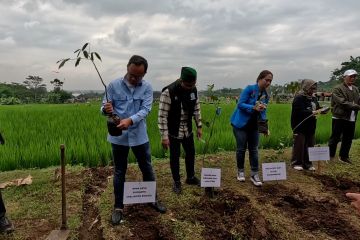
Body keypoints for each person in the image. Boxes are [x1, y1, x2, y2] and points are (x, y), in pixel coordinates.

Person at [101, 55, 166, 225]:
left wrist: (129, 120)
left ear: (144, 74)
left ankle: (153, 199)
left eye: (139, 76)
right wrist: (106, 108)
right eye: (132, 75)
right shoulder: (113, 85)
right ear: (127, 68)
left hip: (139, 135)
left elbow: (146, 110)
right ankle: (118, 207)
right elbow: (104, 107)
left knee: (147, 167)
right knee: (119, 171)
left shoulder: (147, 88)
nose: (134, 79)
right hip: (118, 137)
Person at [158, 67, 202, 194]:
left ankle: (190, 177)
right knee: (175, 156)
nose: (190, 87)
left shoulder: (193, 90)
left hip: (187, 129)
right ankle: (176, 181)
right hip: (173, 130)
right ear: (181, 80)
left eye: (193, 84)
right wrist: (164, 136)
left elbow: (196, 108)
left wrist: (199, 126)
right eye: (188, 85)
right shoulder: (168, 92)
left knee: (191, 153)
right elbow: (162, 115)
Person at [230, 70, 273, 187]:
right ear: (259, 79)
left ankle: (254, 174)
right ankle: (240, 171)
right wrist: (253, 107)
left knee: (254, 149)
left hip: (254, 125)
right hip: (241, 124)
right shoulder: (249, 89)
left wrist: (265, 128)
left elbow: (263, 111)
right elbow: (240, 104)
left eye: (270, 81)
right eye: (266, 80)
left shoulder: (266, 95)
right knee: (241, 149)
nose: (268, 82)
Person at [290, 79, 323, 171]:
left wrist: (322, 110)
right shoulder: (299, 98)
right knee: (299, 145)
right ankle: (297, 163)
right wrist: (312, 112)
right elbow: (299, 112)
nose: (313, 90)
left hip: (311, 125)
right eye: (311, 88)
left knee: (310, 144)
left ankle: (308, 164)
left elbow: (317, 107)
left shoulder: (313, 98)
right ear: (306, 87)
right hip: (300, 125)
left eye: (314, 88)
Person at [328, 69, 360, 163]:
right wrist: (357, 106)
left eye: (354, 76)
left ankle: (344, 156)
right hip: (339, 117)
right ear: (344, 77)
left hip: (352, 117)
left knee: (348, 138)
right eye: (350, 76)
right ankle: (330, 156)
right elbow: (342, 102)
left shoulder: (355, 89)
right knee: (335, 137)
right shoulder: (337, 88)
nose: (353, 78)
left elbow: (358, 100)